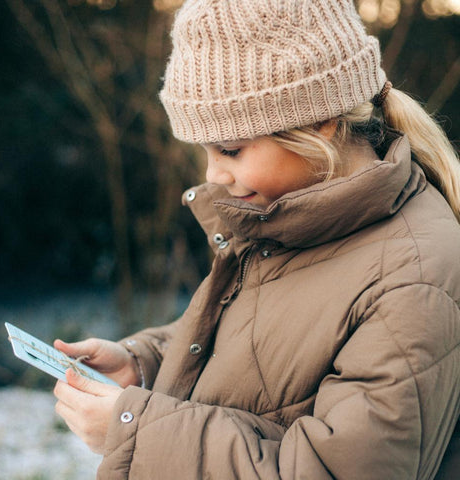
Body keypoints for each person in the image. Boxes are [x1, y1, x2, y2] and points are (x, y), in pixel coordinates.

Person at [53, 0, 460, 478]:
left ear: (320, 122)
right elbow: (263, 346)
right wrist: (145, 364)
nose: (213, 173)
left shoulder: (414, 275)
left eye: (230, 149)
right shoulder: (289, 217)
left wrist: (135, 434)